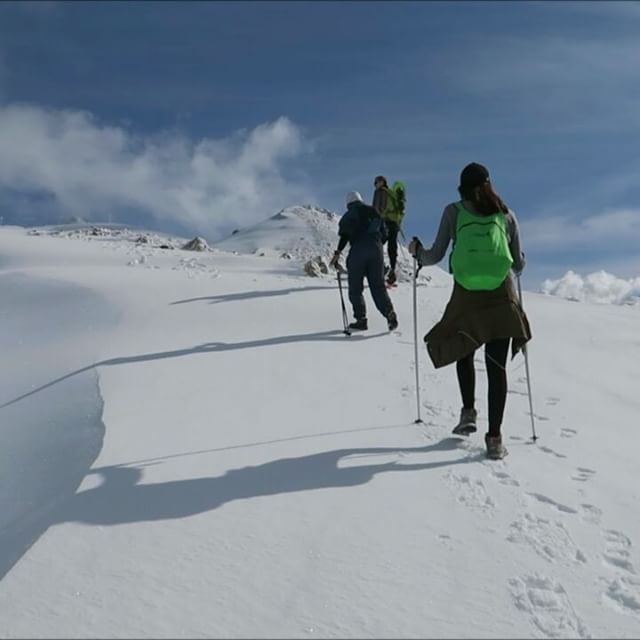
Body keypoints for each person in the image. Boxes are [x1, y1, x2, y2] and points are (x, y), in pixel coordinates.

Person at [407, 163, 531, 460]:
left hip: (466, 294)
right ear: (490, 184)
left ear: (461, 186)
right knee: (496, 366)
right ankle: (495, 438)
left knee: (464, 348)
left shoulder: (453, 211)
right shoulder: (506, 214)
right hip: (501, 295)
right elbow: (518, 265)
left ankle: (468, 413)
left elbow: (435, 255)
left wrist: (416, 252)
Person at [330, 191, 399, 331]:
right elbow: (385, 234)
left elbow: (345, 234)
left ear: (348, 203)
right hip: (377, 250)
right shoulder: (374, 212)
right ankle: (390, 314)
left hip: (358, 251)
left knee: (355, 288)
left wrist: (338, 252)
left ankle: (361, 320)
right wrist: (376, 245)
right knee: (378, 287)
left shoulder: (351, 213)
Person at [372, 175, 403, 286]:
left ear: (381, 182)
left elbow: (376, 208)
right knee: (392, 248)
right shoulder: (391, 193)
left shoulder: (380, 192)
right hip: (394, 224)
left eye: (376, 182)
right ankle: (392, 272)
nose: (375, 185)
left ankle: (382, 270)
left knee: (376, 245)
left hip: (383, 222)